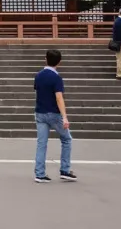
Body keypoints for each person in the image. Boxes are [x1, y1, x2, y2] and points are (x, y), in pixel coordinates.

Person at [34, 49, 76, 183]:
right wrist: (64, 117)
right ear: (59, 62)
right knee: (66, 139)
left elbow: (38, 91)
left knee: (41, 143)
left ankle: (39, 173)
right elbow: (59, 98)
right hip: (53, 113)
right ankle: (65, 169)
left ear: (45, 59)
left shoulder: (38, 75)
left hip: (40, 112)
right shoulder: (56, 78)